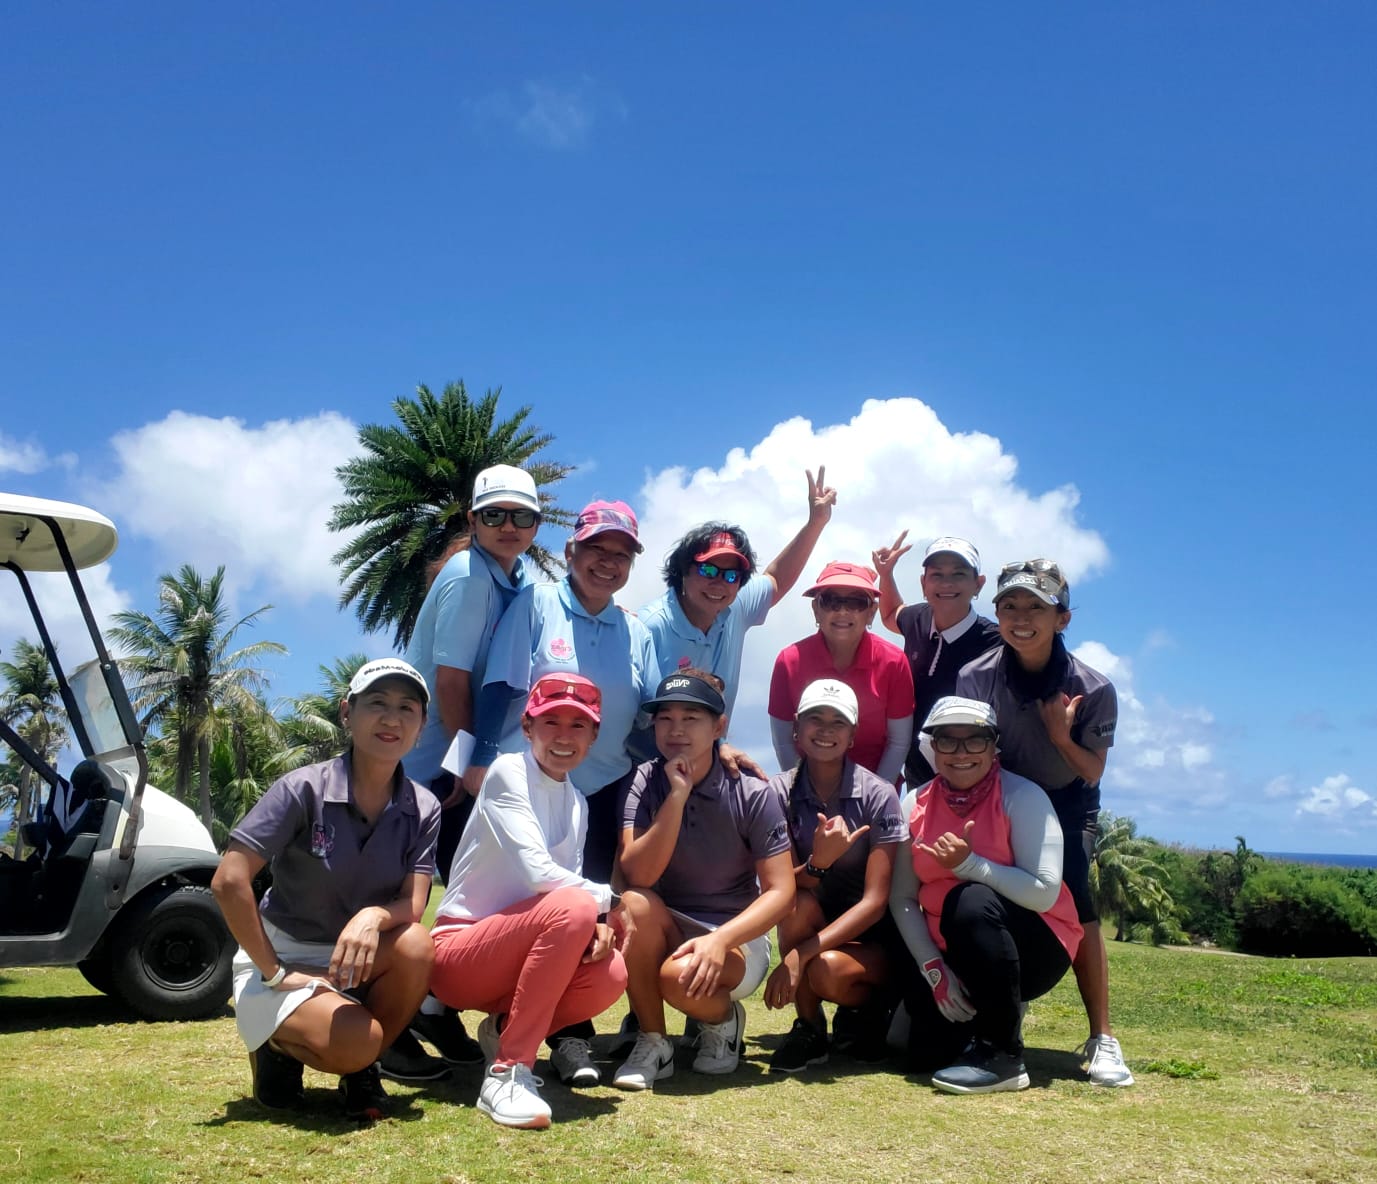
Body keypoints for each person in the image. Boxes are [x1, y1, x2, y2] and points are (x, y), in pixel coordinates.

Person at [469, 498, 661, 1084]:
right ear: (571, 551)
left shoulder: (635, 628)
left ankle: (568, 1039)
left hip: (599, 792)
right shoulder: (536, 602)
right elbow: (499, 686)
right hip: (525, 785)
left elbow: (652, 717)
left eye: (621, 554)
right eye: (596, 550)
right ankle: (512, 1026)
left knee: (583, 923)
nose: (608, 563)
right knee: (532, 906)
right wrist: (476, 760)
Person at [210, 659, 440, 1121]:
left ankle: (362, 1068)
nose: (391, 719)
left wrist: (373, 916)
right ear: (346, 713)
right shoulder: (302, 789)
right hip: (280, 956)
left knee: (416, 944)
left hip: (353, 955)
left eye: (406, 708)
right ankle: (277, 1046)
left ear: (421, 725)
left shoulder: (424, 806)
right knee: (359, 1040)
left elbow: (413, 905)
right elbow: (229, 879)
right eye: (376, 704)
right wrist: (274, 972)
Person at [955, 560, 1132, 1087]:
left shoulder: (1093, 687)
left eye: (1036, 606)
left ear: (1063, 618)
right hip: (1000, 797)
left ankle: (1102, 1036)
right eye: (1010, 606)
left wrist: (1060, 735)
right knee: (978, 891)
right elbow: (971, 750)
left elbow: (1093, 770)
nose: (1021, 617)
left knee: (1076, 897)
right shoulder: (976, 677)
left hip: (1067, 800)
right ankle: (1003, 1007)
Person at [393, 463, 543, 1075]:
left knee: (461, 892)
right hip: (428, 768)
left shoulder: (510, 575)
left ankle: (431, 1007)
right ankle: (392, 1026)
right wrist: (467, 762)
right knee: (408, 898)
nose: (509, 526)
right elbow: (451, 682)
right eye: (493, 515)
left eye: (523, 516)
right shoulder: (469, 577)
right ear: (472, 519)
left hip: (452, 764)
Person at [428, 674, 629, 1129]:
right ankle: (507, 1071)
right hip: (459, 955)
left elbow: (566, 886)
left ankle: (503, 1031)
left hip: (517, 955)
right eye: (550, 721)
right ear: (527, 727)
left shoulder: (577, 803)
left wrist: (600, 920)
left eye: (579, 725)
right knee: (578, 907)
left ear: (595, 735)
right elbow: (543, 877)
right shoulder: (507, 771)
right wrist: (609, 899)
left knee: (611, 971)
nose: (563, 736)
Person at [612, 670, 795, 1090]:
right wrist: (676, 795)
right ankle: (653, 1041)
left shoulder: (752, 791)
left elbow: (782, 892)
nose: (676, 730)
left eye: (691, 718)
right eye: (665, 719)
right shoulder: (644, 780)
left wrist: (720, 940)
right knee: (633, 905)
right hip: (667, 922)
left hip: (734, 936)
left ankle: (723, 1022)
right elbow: (638, 874)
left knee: (679, 979)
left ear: (719, 726)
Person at [890, 697, 1082, 1093]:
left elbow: (1044, 893)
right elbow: (903, 897)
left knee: (970, 899)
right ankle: (986, 1018)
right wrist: (934, 971)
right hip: (951, 953)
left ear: (994, 746)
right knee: (922, 1055)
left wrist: (971, 866)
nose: (961, 753)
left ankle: (1004, 1055)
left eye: (975, 740)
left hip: (1035, 945)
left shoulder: (1022, 797)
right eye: (947, 741)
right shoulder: (915, 803)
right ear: (932, 747)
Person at [631, 468, 838, 755]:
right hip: (648, 766)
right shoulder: (648, 627)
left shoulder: (734, 605)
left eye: (731, 575)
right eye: (708, 569)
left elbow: (776, 580)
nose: (719, 582)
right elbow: (636, 718)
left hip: (708, 758)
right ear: (683, 570)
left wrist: (816, 523)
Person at [763, 679, 906, 1072]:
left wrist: (800, 954)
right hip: (812, 920)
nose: (826, 730)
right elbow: (779, 888)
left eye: (838, 722)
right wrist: (818, 863)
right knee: (794, 905)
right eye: (815, 719)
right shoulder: (775, 793)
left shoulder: (879, 794)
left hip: (874, 939)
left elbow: (876, 902)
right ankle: (809, 1028)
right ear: (795, 728)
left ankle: (871, 1010)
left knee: (827, 970)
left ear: (853, 735)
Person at [873, 533, 1001, 788]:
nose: (946, 584)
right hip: (917, 771)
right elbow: (889, 614)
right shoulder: (917, 618)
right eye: (937, 575)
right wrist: (886, 576)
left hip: (971, 774)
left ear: (979, 584)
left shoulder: (997, 642)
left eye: (958, 574)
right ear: (923, 583)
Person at [768, 561, 915, 782]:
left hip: (875, 792)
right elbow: (784, 741)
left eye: (856, 603)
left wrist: (875, 799)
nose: (843, 611)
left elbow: (898, 742)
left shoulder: (894, 662)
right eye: (831, 601)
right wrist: (803, 795)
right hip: (806, 794)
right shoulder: (789, 661)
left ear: (871, 612)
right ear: (816, 609)